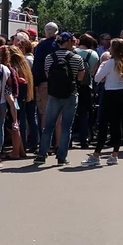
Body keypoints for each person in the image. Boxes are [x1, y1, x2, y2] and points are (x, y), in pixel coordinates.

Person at [35, 32, 85, 166]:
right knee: (66, 127)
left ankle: (42, 154)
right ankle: (61, 156)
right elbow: (80, 76)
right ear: (68, 42)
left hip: (54, 94)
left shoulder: (50, 58)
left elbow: (47, 74)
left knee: (49, 125)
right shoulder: (77, 58)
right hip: (71, 94)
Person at [83, 37, 123, 166]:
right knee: (117, 124)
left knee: (104, 124)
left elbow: (97, 78)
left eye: (111, 46)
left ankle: (96, 154)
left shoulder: (110, 62)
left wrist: (102, 66)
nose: (109, 48)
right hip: (122, 93)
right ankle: (115, 154)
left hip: (110, 94)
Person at [32, 22, 60, 141]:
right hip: (59, 83)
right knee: (59, 114)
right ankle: (59, 143)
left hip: (43, 82)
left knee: (44, 113)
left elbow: (37, 66)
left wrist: (36, 84)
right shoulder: (60, 45)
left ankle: (45, 144)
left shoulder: (40, 47)